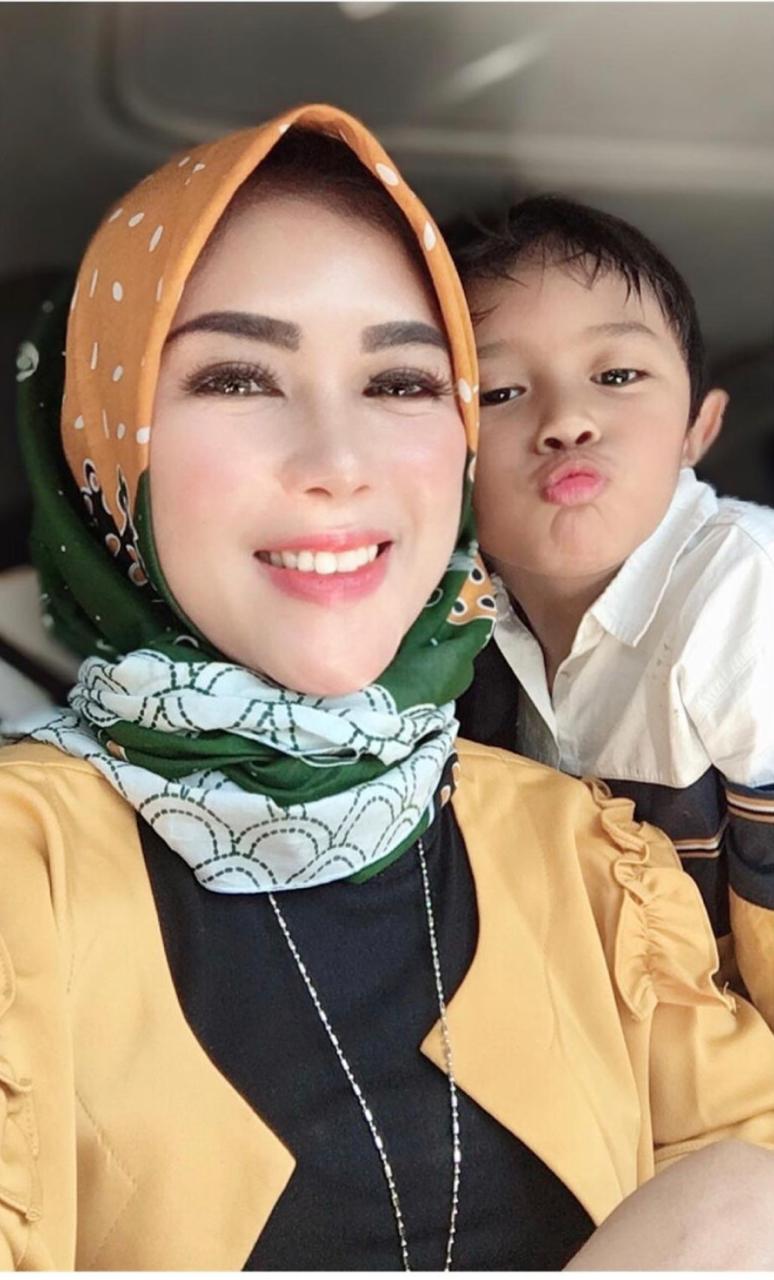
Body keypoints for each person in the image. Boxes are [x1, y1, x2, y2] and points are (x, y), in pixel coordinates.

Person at [3, 106, 774, 1272]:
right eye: (237, 376)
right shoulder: (26, 867)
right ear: (106, 443)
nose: (339, 460)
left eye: (403, 382)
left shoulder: (588, 856)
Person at [453, 195, 774, 1027]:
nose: (565, 421)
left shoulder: (745, 591)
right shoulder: (444, 623)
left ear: (697, 428)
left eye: (617, 377)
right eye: (499, 391)